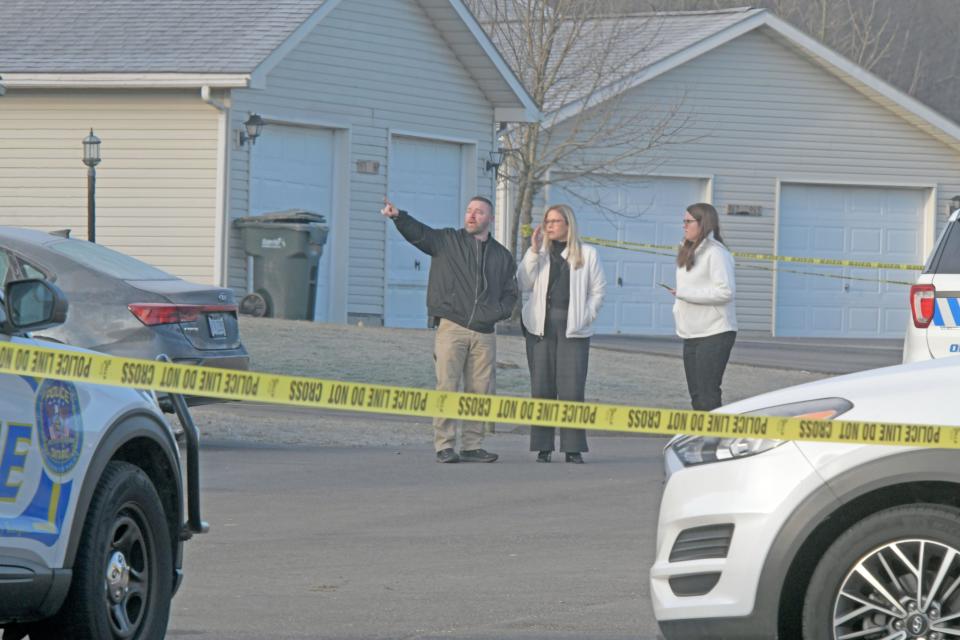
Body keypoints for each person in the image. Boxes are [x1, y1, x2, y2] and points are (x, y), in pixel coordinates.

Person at [381, 196, 518, 463]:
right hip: (452, 327)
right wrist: (399, 216)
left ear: (490, 218)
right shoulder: (447, 242)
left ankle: (472, 445)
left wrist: (494, 313)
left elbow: (511, 294)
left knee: (479, 391)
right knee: (447, 386)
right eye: (468, 211)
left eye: (478, 212)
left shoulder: (502, 256)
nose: (471, 216)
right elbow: (419, 234)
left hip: (484, 332)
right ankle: (444, 445)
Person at [517, 204, 606, 463]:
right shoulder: (540, 253)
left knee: (572, 390)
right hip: (541, 328)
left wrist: (584, 316)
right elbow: (522, 281)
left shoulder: (587, 254)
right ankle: (543, 447)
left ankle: (573, 447)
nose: (550, 226)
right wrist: (533, 251)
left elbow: (598, 291)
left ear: (568, 224)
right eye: (547, 221)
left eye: (556, 221)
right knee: (542, 387)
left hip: (573, 329)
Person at [666, 203, 737, 411]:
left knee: (708, 394)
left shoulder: (716, 253)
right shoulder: (688, 250)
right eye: (683, 221)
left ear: (703, 223)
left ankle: (713, 443)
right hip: (692, 332)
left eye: (689, 221)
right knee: (696, 396)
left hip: (715, 332)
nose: (684, 226)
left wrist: (685, 294)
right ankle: (699, 441)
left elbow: (726, 292)